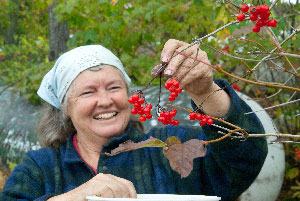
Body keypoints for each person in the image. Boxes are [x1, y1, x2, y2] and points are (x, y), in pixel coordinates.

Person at [0, 39, 267, 201]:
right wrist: (75, 197)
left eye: (114, 88)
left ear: (129, 96)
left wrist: (205, 91)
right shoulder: (41, 167)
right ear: (65, 108)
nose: (105, 100)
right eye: (88, 92)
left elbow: (245, 159)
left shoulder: (171, 145)